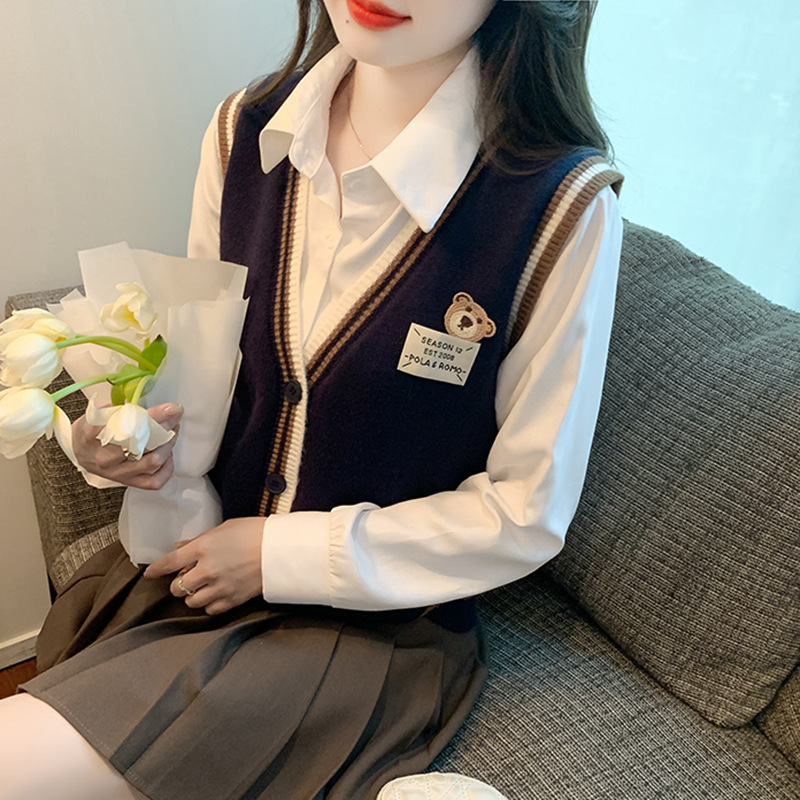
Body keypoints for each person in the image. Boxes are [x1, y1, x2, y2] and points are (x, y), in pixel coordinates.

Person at [0, 0, 623, 798]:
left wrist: (277, 556)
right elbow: (201, 370)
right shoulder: (244, 130)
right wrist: (123, 439)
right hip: (196, 564)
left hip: (374, 628)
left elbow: (525, 514)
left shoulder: (559, 205)